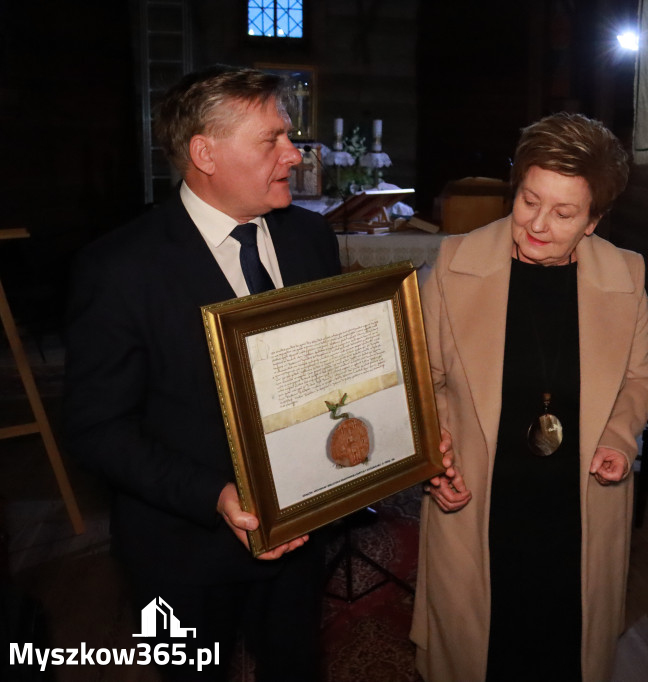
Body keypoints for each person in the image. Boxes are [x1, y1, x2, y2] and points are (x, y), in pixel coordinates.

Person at [63, 66, 342, 680]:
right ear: (204, 153)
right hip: (183, 547)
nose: (293, 155)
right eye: (271, 140)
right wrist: (214, 494)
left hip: (299, 536)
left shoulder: (311, 237)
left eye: (288, 137)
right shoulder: (119, 269)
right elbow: (95, 428)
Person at [410, 112, 648, 682]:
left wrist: (621, 438)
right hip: (479, 496)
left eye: (565, 212)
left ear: (594, 220)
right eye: (529, 201)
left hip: (578, 503)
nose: (538, 225)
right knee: (479, 652)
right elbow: (426, 380)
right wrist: (436, 452)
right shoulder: (455, 264)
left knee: (563, 649)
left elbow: (640, 378)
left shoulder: (626, 276)